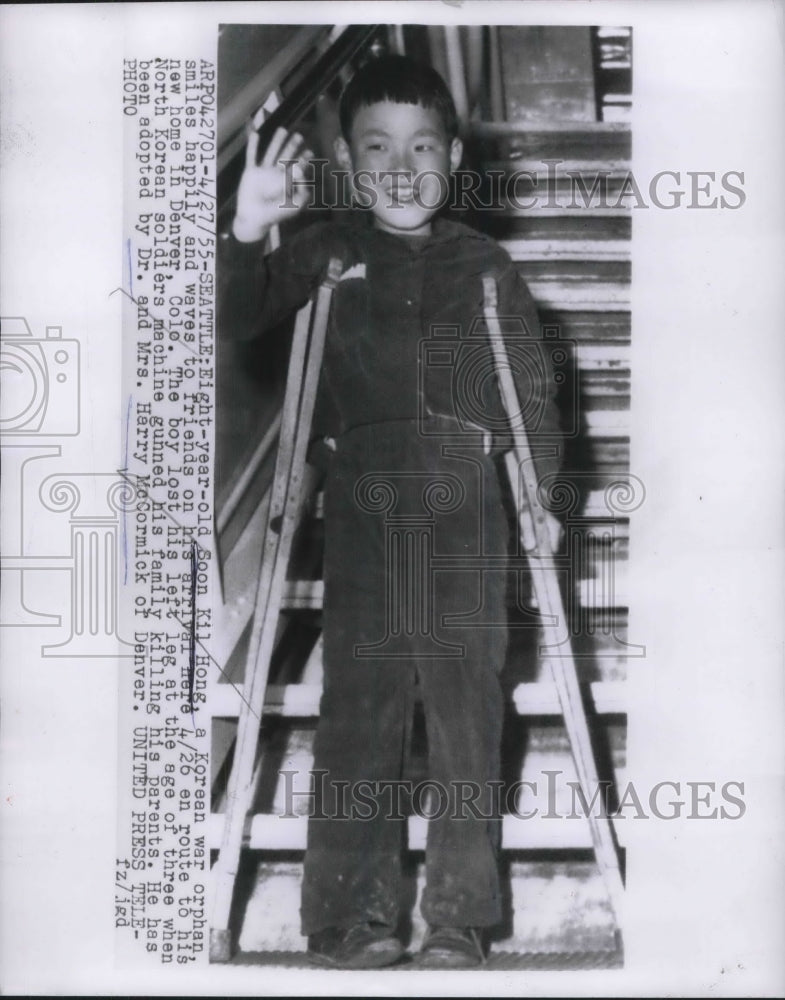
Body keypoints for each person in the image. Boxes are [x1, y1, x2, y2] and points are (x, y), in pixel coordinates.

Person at [219, 54, 563, 969]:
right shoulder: (327, 252)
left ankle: (458, 913)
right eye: (376, 148)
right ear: (344, 161)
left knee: (464, 711)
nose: (402, 168)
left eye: (421, 147)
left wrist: (545, 499)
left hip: (465, 506)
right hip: (364, 505)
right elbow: (239, 311)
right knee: (359, 710)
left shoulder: (487, 266)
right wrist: (249, 223)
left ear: (452, 155)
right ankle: (350, 915)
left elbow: (530, 394)